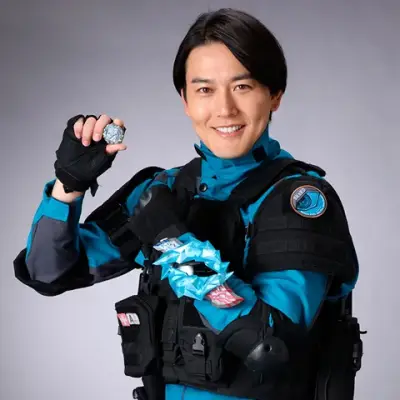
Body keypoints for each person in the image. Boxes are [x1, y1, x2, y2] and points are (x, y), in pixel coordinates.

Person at [13, 8, 363, 400]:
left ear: (274, 95)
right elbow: (48, 273)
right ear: (185, 100)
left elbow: (266, 346)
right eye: (204, 90)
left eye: (242, 86)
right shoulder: (163, 190)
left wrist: (173, 242)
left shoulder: (299, 201)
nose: (225, 109)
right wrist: (68, 188)